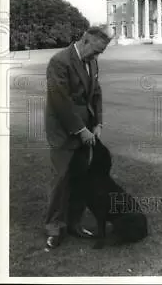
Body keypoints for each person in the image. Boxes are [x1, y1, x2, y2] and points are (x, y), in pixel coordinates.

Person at [44, 26, 112, 248]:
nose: (97, 56)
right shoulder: (59, 61)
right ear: (84, 40)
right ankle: (54, 228)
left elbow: (97, 93)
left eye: (101, 52)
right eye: (96, 50)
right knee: (61, 180)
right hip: (63, 132)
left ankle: (73, 223)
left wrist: (98, 123)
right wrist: (80, 130)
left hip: (86, 132)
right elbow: (60, 101)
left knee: (80, 179)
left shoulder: (92, 61)